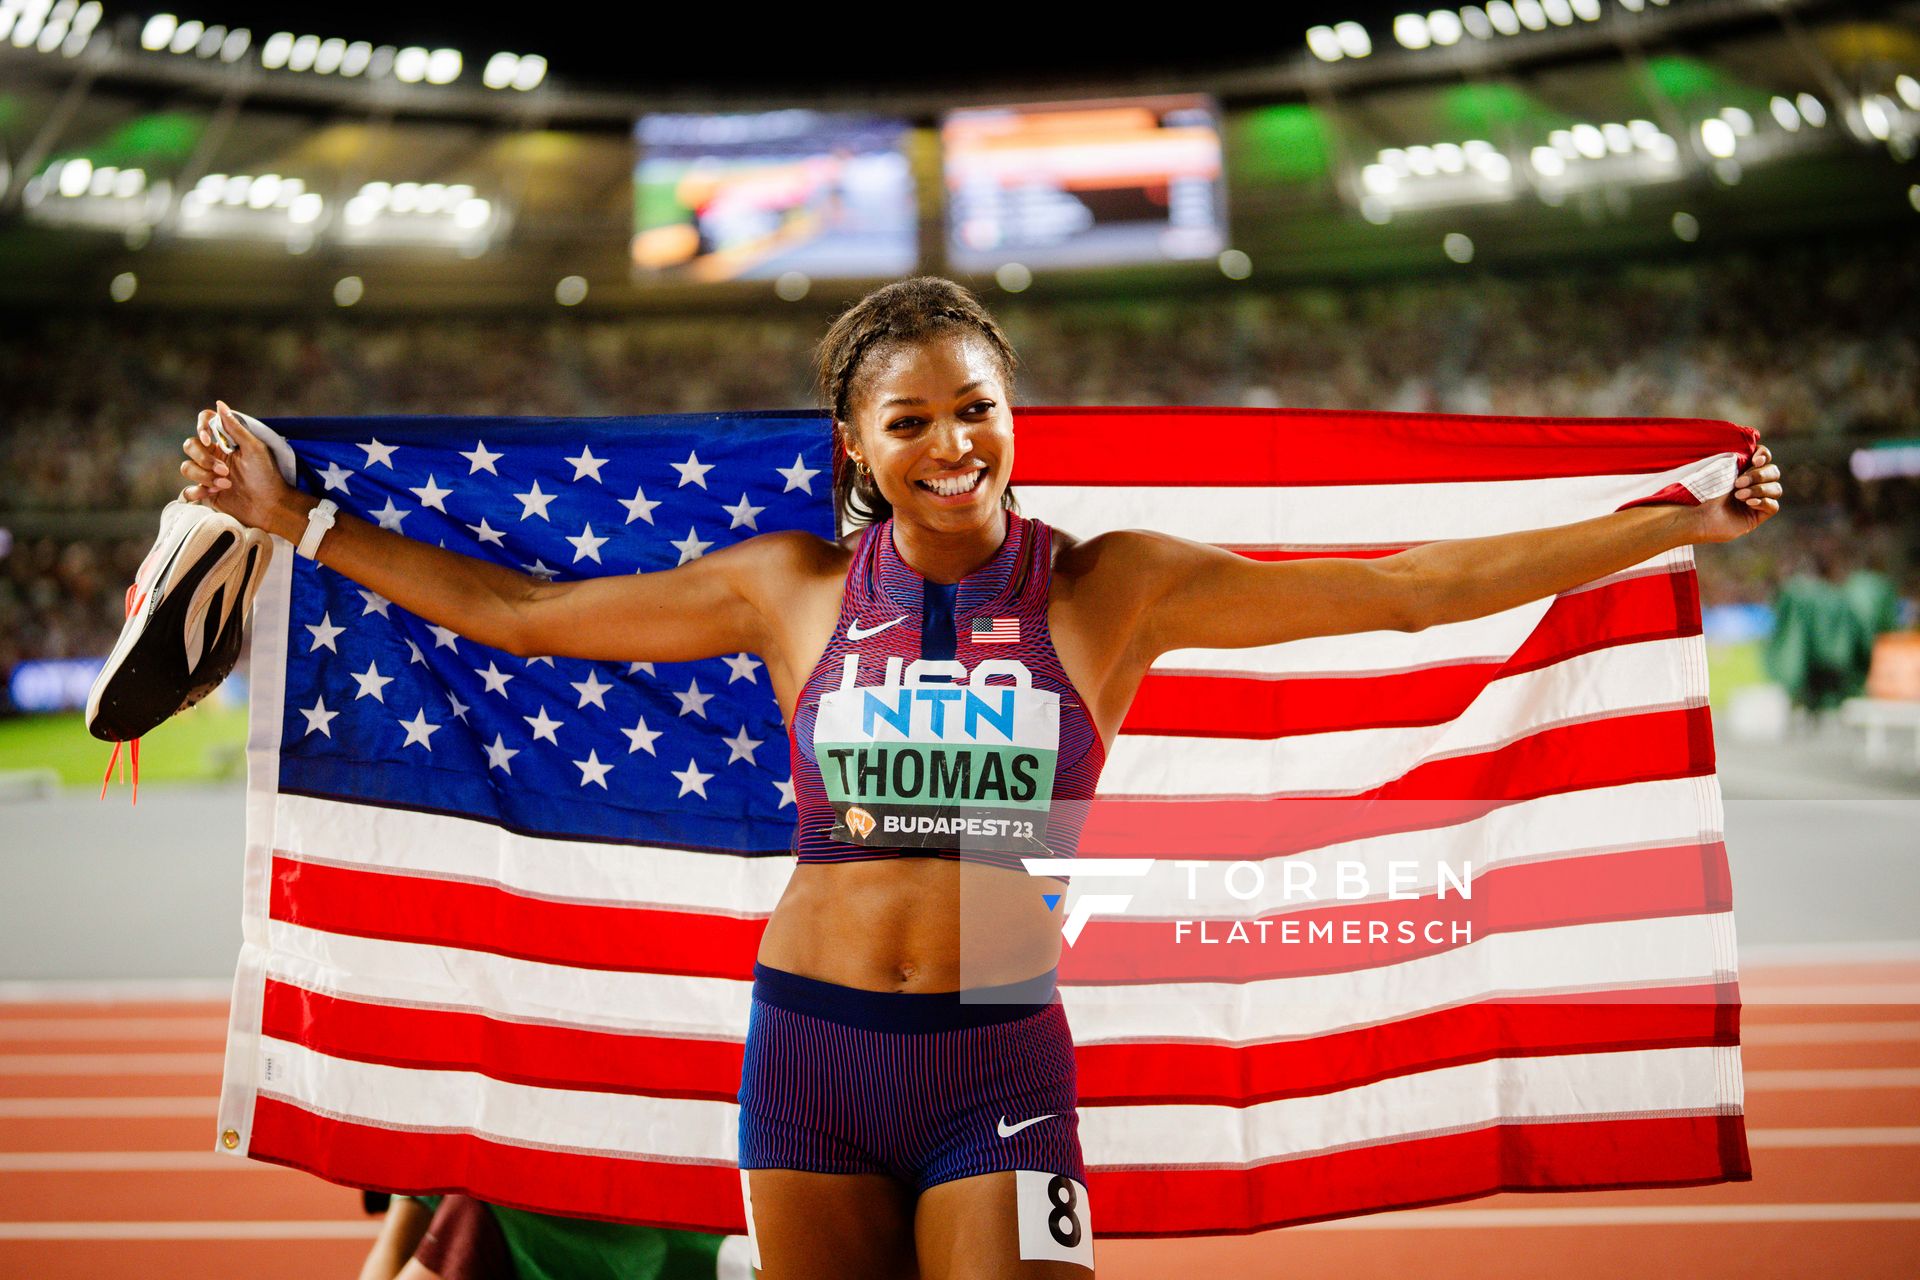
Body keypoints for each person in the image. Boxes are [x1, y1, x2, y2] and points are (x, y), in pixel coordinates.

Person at [177, 277, 1783, 1279]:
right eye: (913, 421)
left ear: (1011, 416)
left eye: (978, 409)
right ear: (857, 445)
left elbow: (1408, 592)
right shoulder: (789, 590)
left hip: (996, 1062)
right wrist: (296, 519)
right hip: (808, 1052)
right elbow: (525, 616)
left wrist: (1661, 526)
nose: (954, 444)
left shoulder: (1110, 588)